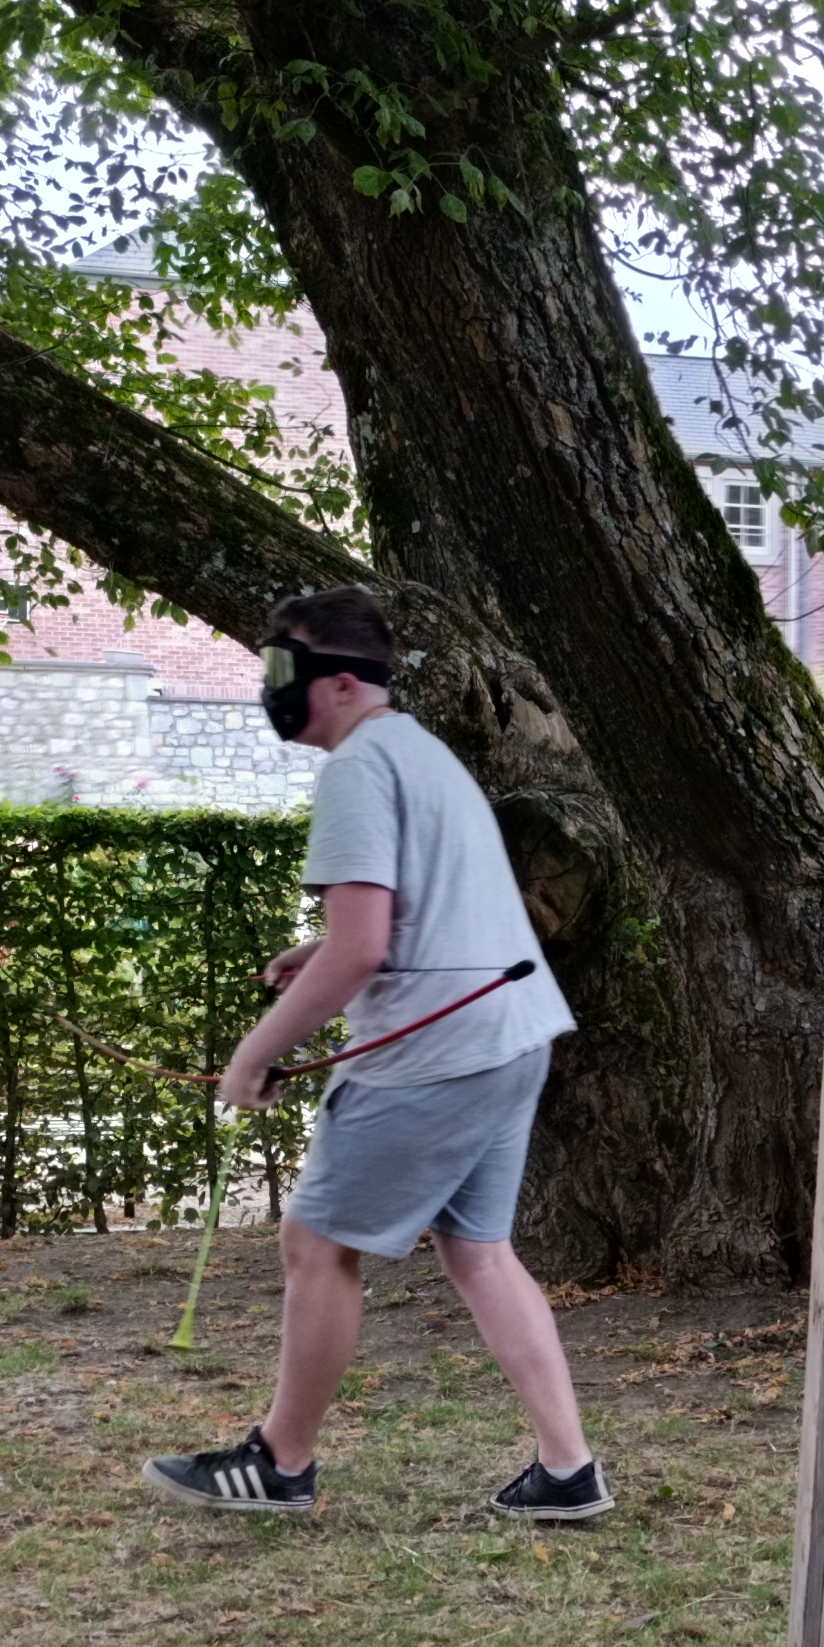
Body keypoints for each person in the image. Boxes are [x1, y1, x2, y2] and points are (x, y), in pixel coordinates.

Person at [142, 589, 611, 1524]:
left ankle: (281, 1462)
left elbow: (364, 950)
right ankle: (568, 1470)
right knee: (477, 1250)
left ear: (343, 683)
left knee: (316, 1241)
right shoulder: (423, 754)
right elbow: (418, 915)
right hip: (508, 1037)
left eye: (286, 670)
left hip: (435, 1049)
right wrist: (316, 954)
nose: (272, 687)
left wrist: (256, 1051)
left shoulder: (358, 770)